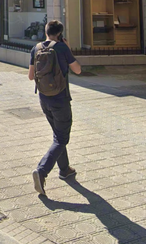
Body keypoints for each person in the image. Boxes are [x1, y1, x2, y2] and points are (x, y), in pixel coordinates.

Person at [28, 20, 82, 197]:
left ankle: (64, 169)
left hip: (44, 99)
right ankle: (41, 171)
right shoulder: (61, 48)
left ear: (46, 31)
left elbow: (31, 76)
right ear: (59, 34)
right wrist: (68, 49)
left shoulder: (36, 48)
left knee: (58, 136)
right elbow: (78, 70)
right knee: (61, 138)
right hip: (60, 99)